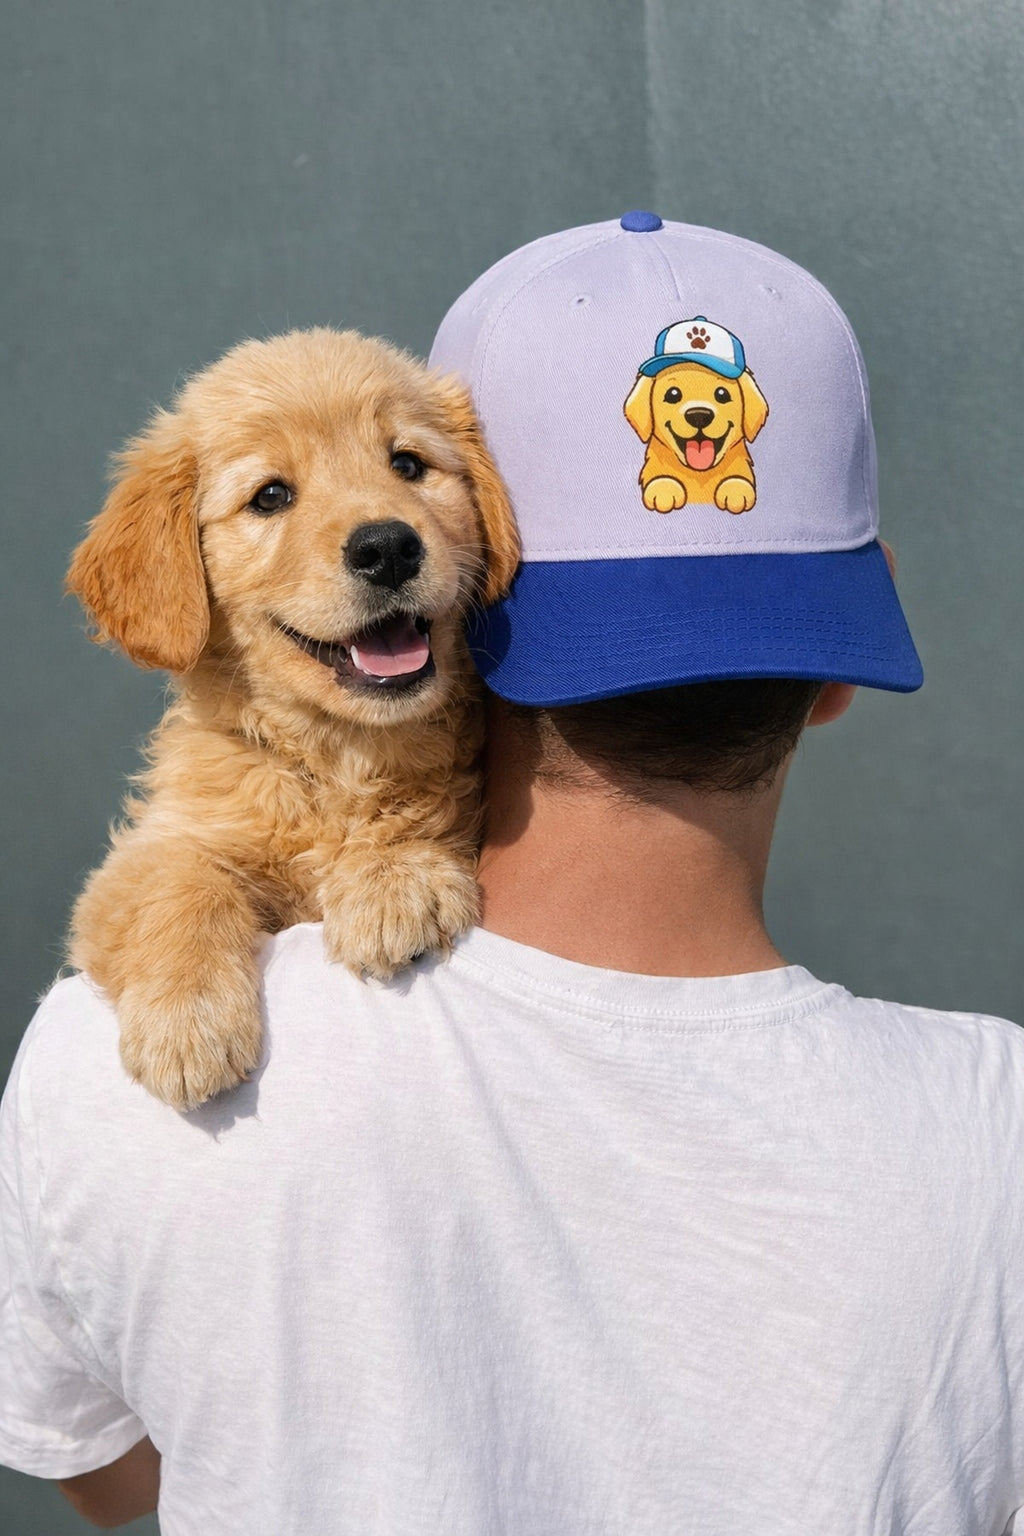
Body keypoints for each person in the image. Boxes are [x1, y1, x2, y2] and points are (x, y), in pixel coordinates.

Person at [1, 214, 1021, 1534]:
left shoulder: (101, 1061)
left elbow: (101, 1473)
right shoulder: (997, 1134)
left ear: (484, 580)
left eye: (411, 468)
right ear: (845, 653)